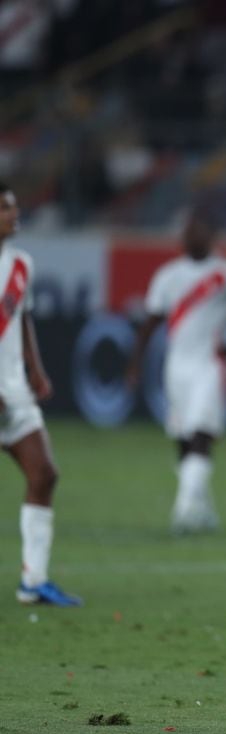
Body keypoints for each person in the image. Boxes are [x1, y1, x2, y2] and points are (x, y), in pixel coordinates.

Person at [127, 209, 226, 534]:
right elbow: (151, 322)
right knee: (182, 439)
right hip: (176, 366)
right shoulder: (168, 275)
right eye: (188, 231)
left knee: (200, 435)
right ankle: (202, 509)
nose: (193, 236)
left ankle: (183, 510)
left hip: (209, 364)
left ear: (213, 236)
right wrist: (135, 363)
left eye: (200, 231)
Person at [0, 183, 81, 606]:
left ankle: (33, 581)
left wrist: (36, 368)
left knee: (44, 474)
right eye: (4, 208)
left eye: (13, 206)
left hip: (13, 394)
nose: (14, 214)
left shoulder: (20, 265)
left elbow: (22, 317)